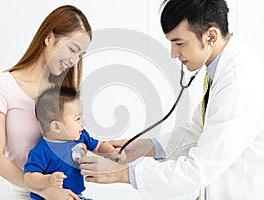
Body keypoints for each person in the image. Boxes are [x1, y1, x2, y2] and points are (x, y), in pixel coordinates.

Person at [78, 0, 264, 199]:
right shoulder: (222, 71)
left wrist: (123, 174)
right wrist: (145, 147)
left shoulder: (240, 81)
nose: (173, 53)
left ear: (210, 36)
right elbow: (198, 132)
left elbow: (198, 169)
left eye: (179, 43)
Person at [0, 5, 92, 200]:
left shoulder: (63, 94)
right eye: (73, 49)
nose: (75, 61)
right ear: (49, 37)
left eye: (80, 55)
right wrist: (44, 190)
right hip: (24, 193)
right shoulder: (2, 86)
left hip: (70, 194)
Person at [24, 86, 122, 200]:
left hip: (76, 196)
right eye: (77, 119)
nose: (83, 123)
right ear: (56, 127)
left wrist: (111, 151)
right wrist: (48, 180)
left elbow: (99, 146)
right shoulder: (42, 151)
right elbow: (28, 177)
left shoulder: (80, 136)